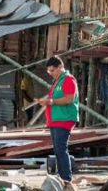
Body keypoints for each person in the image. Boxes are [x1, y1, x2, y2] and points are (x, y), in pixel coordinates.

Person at [35, 56, 79, 191]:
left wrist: (51, 102)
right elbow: (54, 99)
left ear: (60, 67)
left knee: (61, 149)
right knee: (58, 150)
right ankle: (62, 178)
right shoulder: (57, 81)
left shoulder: (68, 79)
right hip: (56, 120)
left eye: (52, 70)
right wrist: (47, 102)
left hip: (64, 119)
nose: (51, 73)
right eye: (49, 71)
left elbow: (69, 99)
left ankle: (67, 180)